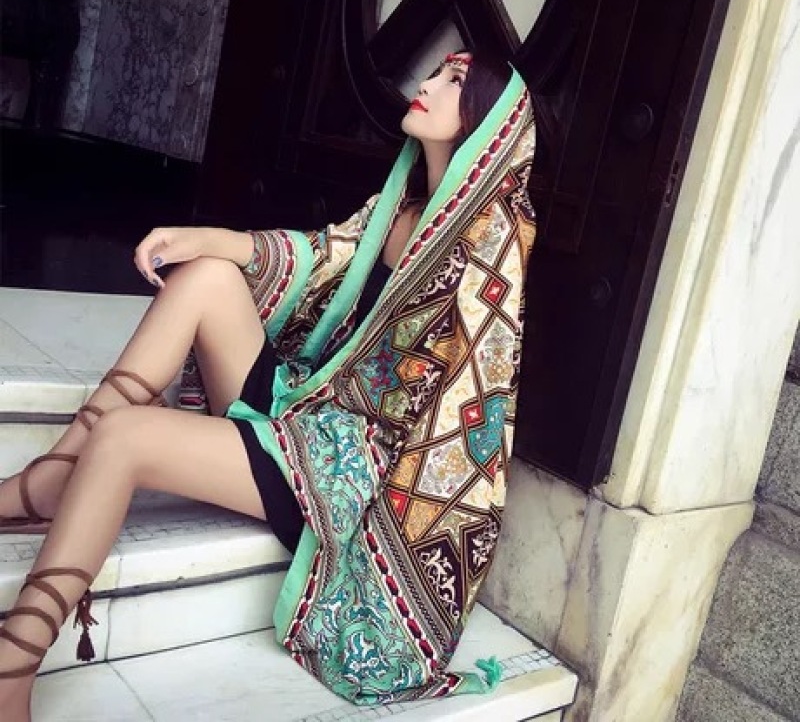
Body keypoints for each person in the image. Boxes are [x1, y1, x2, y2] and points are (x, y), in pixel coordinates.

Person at [0, 49, 537, 719]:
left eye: (454, 81)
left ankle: (11, 669)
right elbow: (321, 257)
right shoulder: (399, 209)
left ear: (486, 122)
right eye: (435, 72)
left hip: (344, 479)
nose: (426, 84)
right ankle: (55, 478)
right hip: (302, 407)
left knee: (124, 437)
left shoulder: (491, 245)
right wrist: (201, 237)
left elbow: (468, 416)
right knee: (206, 275)